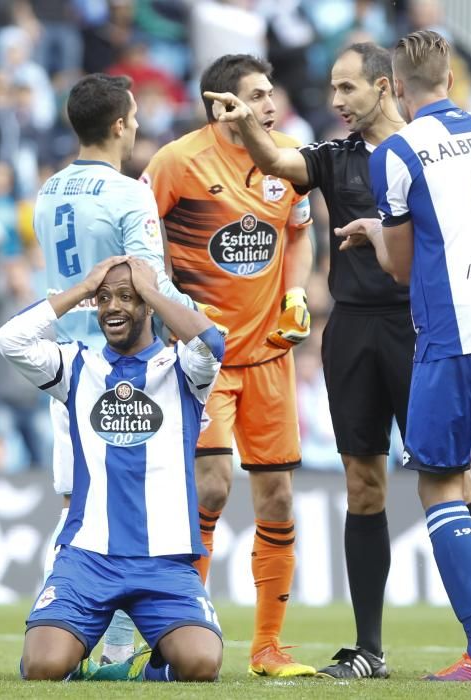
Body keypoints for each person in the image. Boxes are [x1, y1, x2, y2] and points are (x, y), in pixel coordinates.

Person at [203, 19, 471, 679]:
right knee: (362, 484)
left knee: (455, 480)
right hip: (354, 331)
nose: (336, 98)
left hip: (425, 327)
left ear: (384, 86)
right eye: (330, 87)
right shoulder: (338, 155)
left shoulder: (422, 149)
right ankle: (371, 647)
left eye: (346, 86)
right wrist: (247, 125)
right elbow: (279, 162)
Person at [337, 29, 471, 683]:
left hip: (456, 329)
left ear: (396, 87)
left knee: (439, 482)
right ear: (451, 79)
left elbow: (400, 269)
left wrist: (375, 232)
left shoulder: (396, 152)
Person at [141, 54, 316, 678]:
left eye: (271, 93)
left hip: (269, 355)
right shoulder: (174, 162)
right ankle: (184, 629)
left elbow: (298, 232)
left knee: (277, 497)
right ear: (223, 105)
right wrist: (165, 307)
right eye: (258, 95)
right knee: (211, 487)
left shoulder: (287, 157)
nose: (272, 104)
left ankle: (268, 647)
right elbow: (139, 242)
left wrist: (295, 292)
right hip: (202, 359)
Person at [32, 73, 198, 665]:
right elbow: (146, 285)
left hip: (63, 369)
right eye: (133, 116)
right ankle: (113, 651)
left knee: (79, 511)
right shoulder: (129, 194)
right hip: (117, 365)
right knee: (120, 510)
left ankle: (73, 635)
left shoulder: (48, 191)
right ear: (121, 124)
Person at [0, 255, 225, 683]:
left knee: (201, 665)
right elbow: (10, 339)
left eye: (126, 297)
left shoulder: (183, 370)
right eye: (104, 299)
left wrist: (153, 289)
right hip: (88, 559)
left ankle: (153, 669)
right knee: (42, 667)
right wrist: (83, 290)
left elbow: (213, 344)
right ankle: (73, 654)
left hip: (165, 561)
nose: (112, 307)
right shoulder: (77, 367)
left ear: (149, 306)